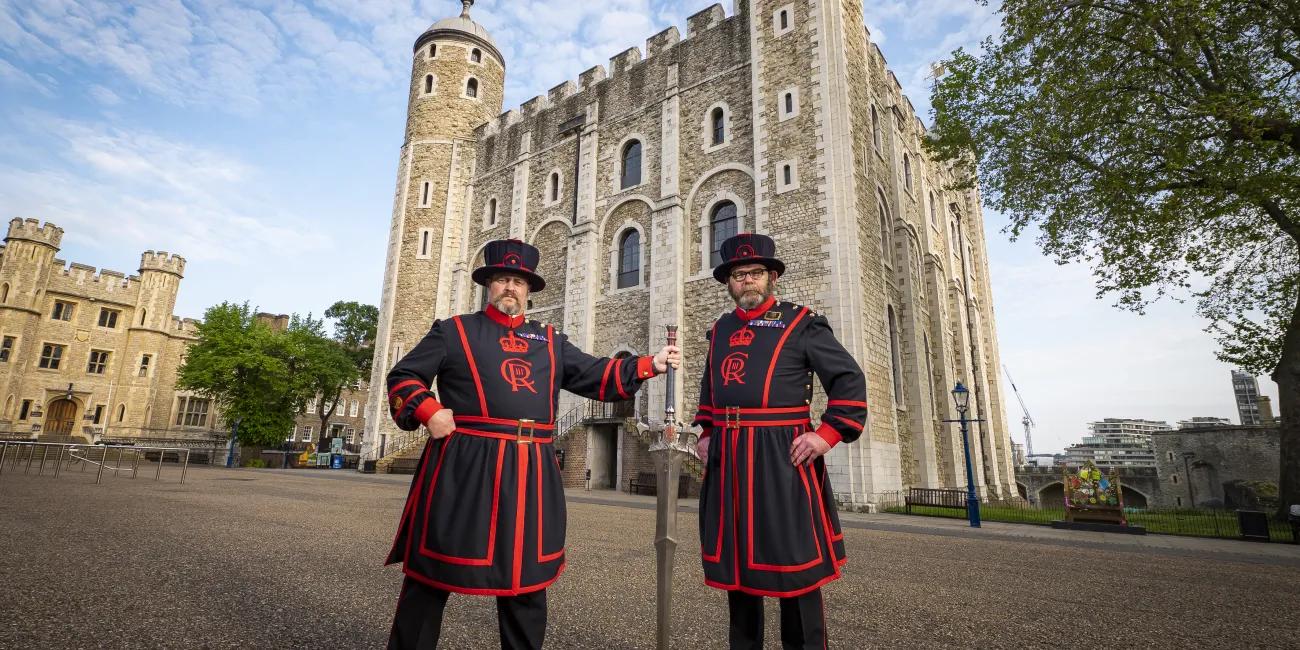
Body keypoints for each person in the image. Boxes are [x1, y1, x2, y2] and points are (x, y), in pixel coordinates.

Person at [385, 239, 681, 649]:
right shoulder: (453, 331)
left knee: (525, 584)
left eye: (518, 281)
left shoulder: (550, 340)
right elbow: (403, 378)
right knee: (431, 578)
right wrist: (429, 410)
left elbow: (596, 374)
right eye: (503, 279)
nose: (511, 288)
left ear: (529, 289)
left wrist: (650, 364)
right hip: (464, 468)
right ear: (488, 284)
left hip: (530, 473)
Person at [693, 233, 867, 649]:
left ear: (771, 277)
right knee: (739, 572)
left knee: (797, 569)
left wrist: (825, 435)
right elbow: (709, 390)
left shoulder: (801, 321)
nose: (746, 282)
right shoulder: (719, 330)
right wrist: (706, 431)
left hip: (783, 456)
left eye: (754, 273)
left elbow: (849, 379)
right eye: (738, 275)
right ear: (729, 282)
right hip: (731, 458)